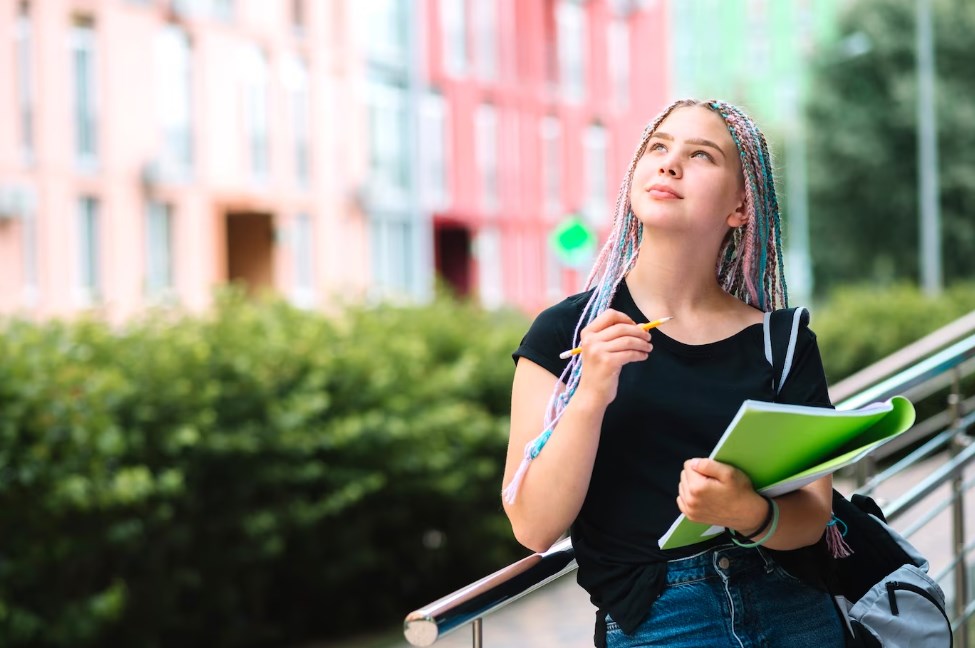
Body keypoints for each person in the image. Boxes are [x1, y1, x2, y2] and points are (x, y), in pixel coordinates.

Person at [501, 99, 845, 647]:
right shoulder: (565, 334)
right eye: (658, 147)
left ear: (740, 205)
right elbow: (533, 526)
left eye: (701, 154)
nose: (669, 163)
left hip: (796, 609)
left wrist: (748, 512)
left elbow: (813, 514)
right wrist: (590, 394)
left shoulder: (781, 342)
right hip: (660, 620)